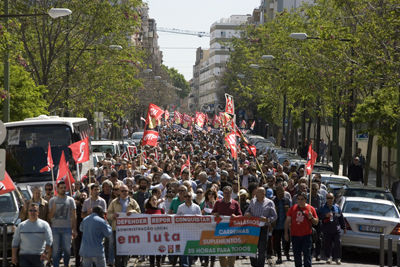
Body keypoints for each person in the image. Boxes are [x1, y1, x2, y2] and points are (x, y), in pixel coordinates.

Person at [107, 184, 141, 267]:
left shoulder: (133, 202)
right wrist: (113, 216)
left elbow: (139, 212)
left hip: (128, 230)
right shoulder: (114, 202)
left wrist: (132, 212)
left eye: (126, 191)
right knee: (117, 250)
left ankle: (124, 264)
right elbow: (108, 215)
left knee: (127, 250)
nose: (125, 192)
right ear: (119, 192)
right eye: (122, 191)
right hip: (117, 229)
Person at [12, 202, 53, 267]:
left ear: (38, 212)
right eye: (30, 210)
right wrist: (14, 256)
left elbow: (49, 240)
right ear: (28, 212)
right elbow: (15, 242)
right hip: (24, 256)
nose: (32, 212)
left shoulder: (44, 225)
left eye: (35, 210)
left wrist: (45, 253)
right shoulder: (21, 226)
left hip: (39, 256)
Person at [245, 187, 277, 267]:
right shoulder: (253, 201)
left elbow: (275, 216)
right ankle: (254, 264)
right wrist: (247, 214)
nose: (257, 194)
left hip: (263, 228)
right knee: (252, 249)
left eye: (259, 193)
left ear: (264, 193)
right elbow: (247, 211)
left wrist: (267, 219)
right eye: (256, 193)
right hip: (253, 228)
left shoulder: (269, 203)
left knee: (262, 250)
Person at [284, 192, 318, 267]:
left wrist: (311, 217)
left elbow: (316, 222)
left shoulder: (310, 208)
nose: (300, 201)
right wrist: (286, 233)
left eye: (302, 199)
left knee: (307, 255)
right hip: (295, 235)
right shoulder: (292, 208)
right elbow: (287, 221)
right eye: (298, 199)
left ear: (306, 199)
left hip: (307, 235)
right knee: (297, 255)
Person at [48, 181, 77, 267]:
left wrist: (74, 229)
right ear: (57, 189)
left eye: (64, 188)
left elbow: (74, 215)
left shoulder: (70, 200)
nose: (63, 189)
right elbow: (50, 216)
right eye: (61, 188)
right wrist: (53, 209)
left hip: (67, 228)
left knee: (67, 250)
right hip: (55, 228)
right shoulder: (52, 200)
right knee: (56, 250)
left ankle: (66, 264)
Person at [212, 186, 242, 267]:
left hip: (232, 231)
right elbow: (213, 214)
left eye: (228, 193)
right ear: (223, 193)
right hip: (221, 231)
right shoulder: (218, 203)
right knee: (222, 253)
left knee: (232, 252)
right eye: (225, 192)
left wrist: (235, 216)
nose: (227, 194)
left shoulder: (235, 203)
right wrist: (215, 214)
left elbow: (240, 216)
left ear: (231, 193)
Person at [319, 193, 346, 265]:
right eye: (328, 198)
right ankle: (328, 257)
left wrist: (344, 227)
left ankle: (337, 258)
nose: (329, 200)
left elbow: (341, 218)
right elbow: (319, 217)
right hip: (327, 229)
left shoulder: (337, 207)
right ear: (326, 199)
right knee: (327, 244)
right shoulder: (322, 208)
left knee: (338, 243)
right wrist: (325, 216)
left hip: (336, 229)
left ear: (333, 198)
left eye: (331, 198)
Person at [176, 192, 201, 267]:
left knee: (191, 251)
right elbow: (177, 219)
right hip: (183, 232)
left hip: (193, 232)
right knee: (183, 250)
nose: (187, 198)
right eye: (185, 196)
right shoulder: (180, 207)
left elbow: (201, 219)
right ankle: (184, 265)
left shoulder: (197, 207)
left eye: (189, 196)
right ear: (184, 198)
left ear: (192, 197)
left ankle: (189, 263)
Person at [273, 185, 291, 264]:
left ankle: (287, 254)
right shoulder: (273, 201)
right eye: (280, 192)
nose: (281, 193)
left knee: (287, 241)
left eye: (283, 192)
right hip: (276, 225)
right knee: (277, 242)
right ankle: (279, 257)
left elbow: (291, 212)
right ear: (276, 192)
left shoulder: (287, 200)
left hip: (285, 224)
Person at [145, 195, 165, 267]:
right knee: (151, 249)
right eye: (152, 200)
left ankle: (158, 262)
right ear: (149, 202)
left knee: (159, 248)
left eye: (155, 200)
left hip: (160, 233)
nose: (154, 201)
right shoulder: (147, 212)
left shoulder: (161, 210)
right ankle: (152, 263)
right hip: (150, 234)